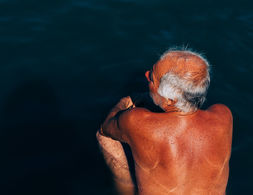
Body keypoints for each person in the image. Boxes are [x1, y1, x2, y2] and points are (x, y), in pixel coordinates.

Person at [96, 48, 233, 195]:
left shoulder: (136, 121)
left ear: (170, 99)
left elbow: (107, 126)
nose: (146, 75)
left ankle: (125, 188)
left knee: (102, 135)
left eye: (152, 79)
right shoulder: (223, 116)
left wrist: (128, 101)